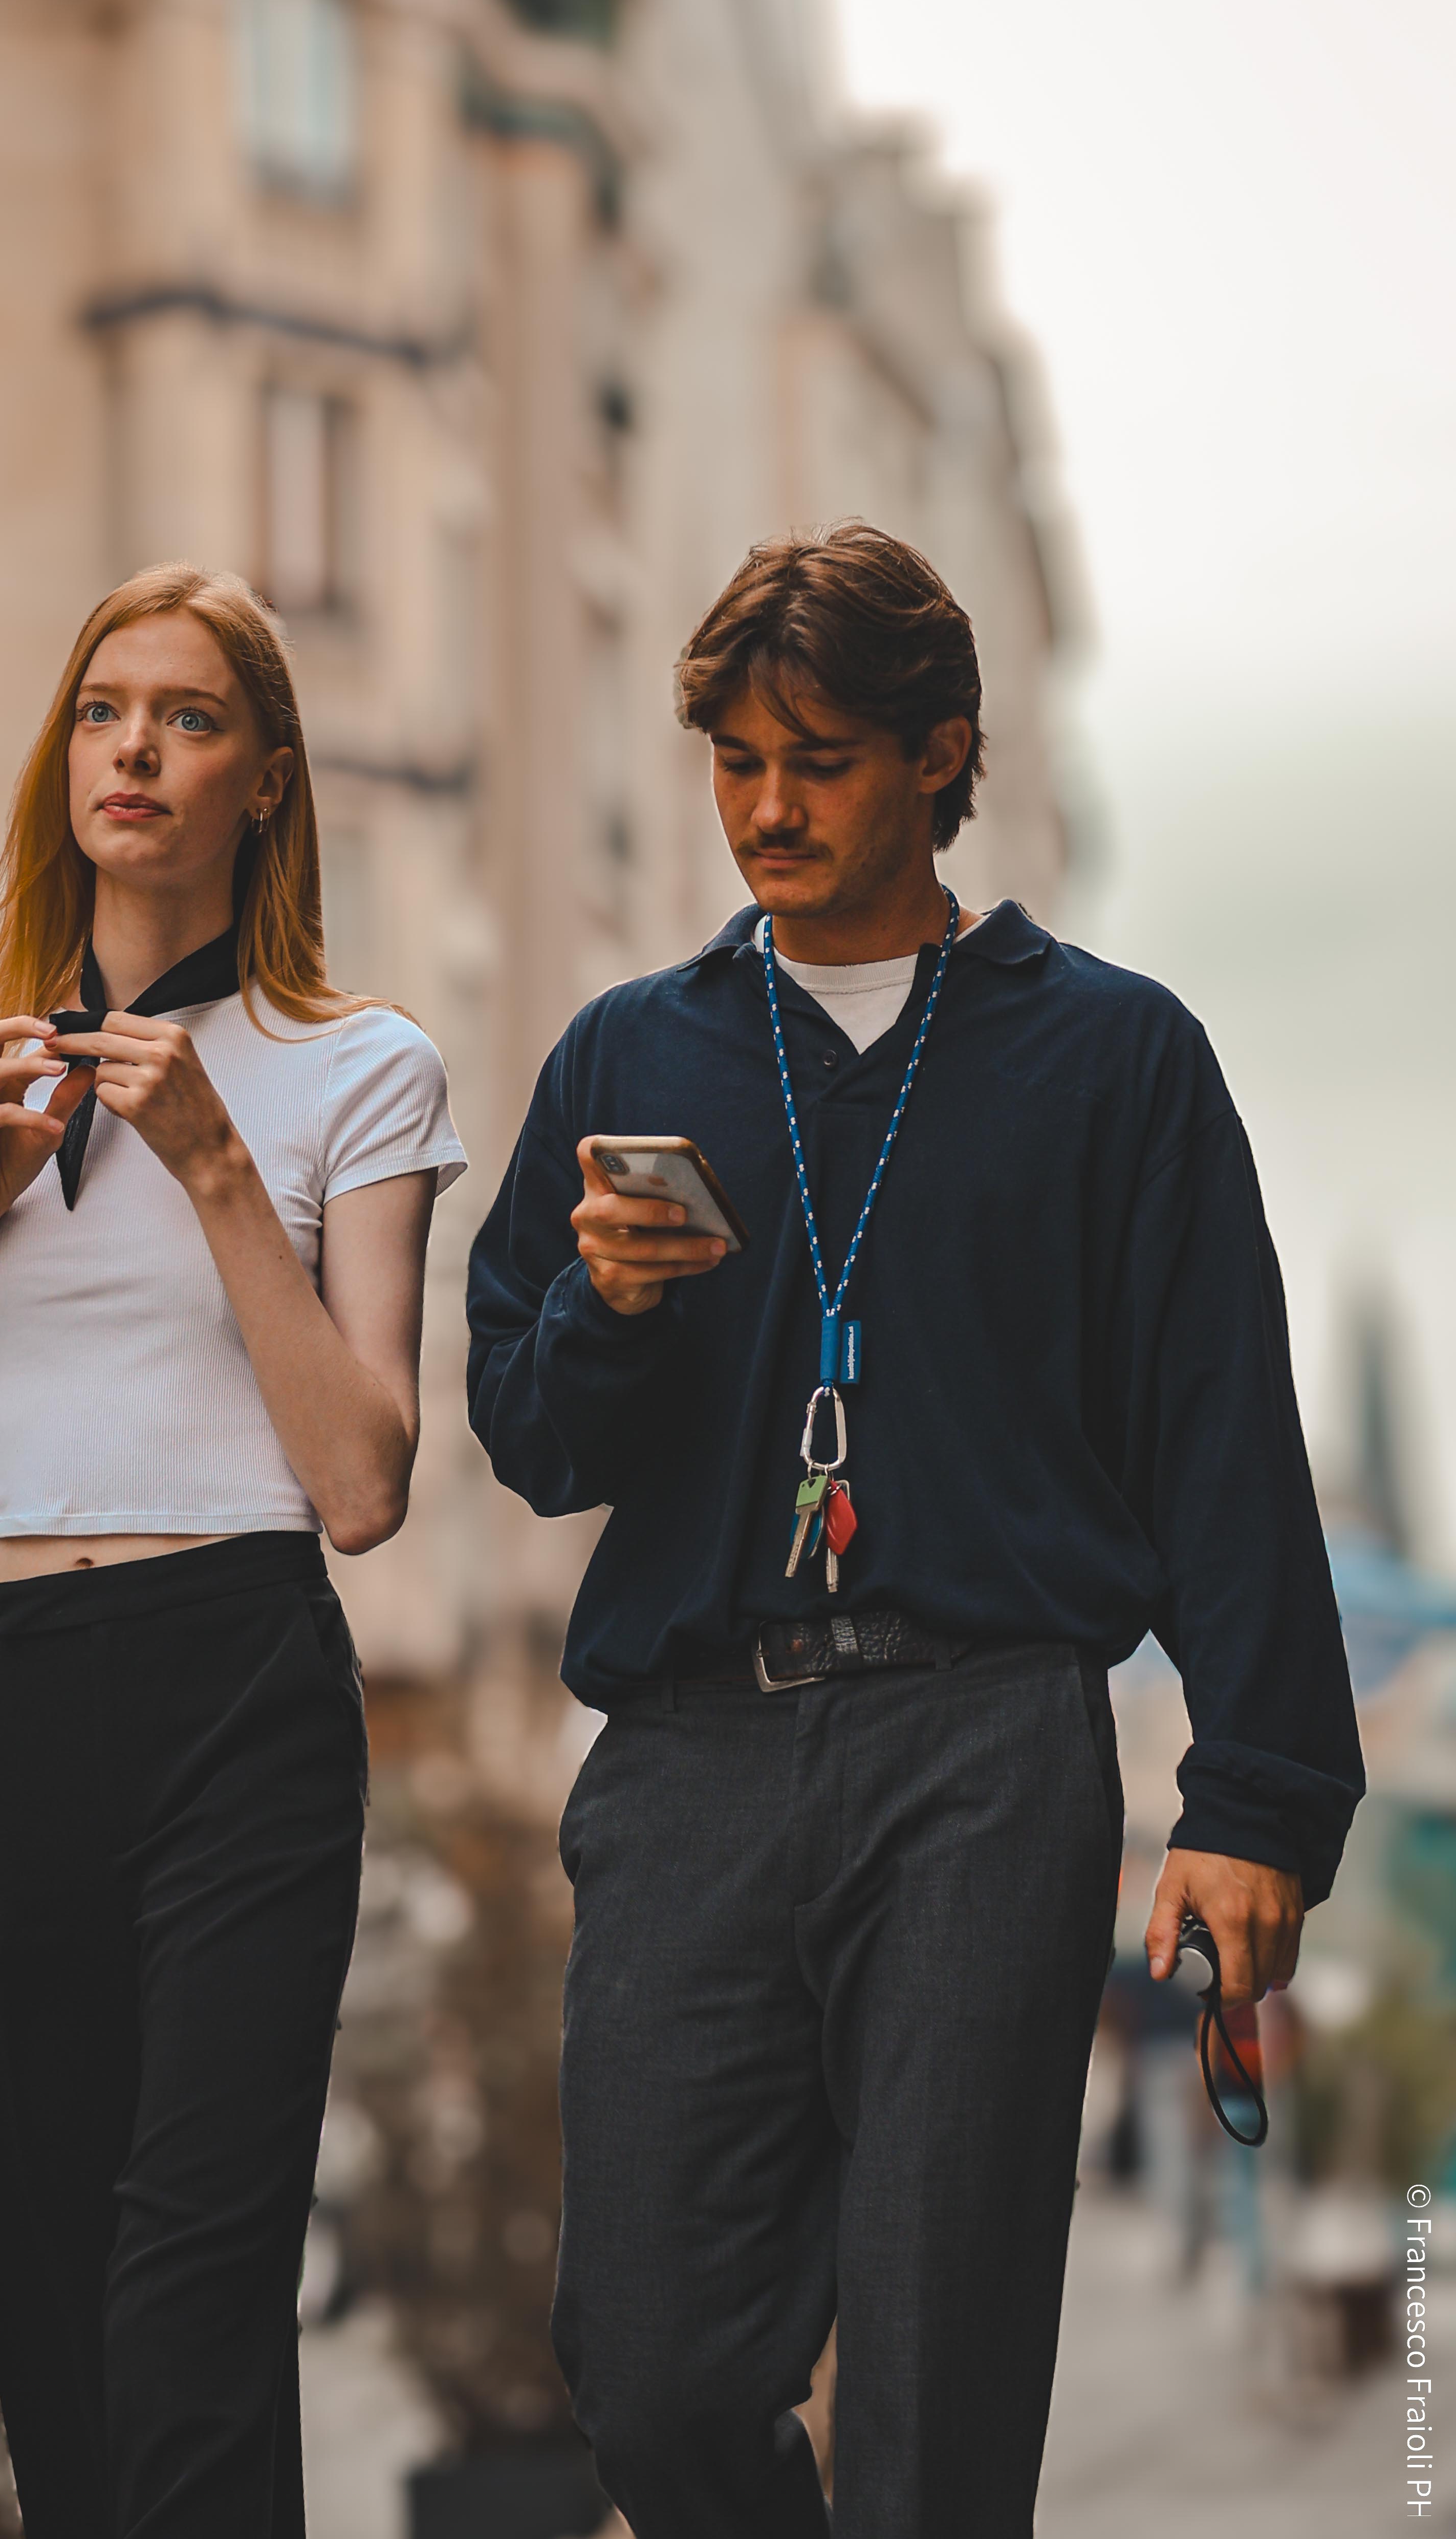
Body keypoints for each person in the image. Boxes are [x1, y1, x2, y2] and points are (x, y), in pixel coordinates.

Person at [466, 525, 1362, 2537]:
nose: (765, 810)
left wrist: (1259, 1798)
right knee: (654, 2365)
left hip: (986, 1749)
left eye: (824, 762)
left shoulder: (1116, 1060)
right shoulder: (631, 1052)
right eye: (732, 762)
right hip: (690, 1754)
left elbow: (1226, 1442)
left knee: (941, 2395)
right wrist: (606, 1310)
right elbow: (524, 1436)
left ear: (944, 753)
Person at [0, 563, 466, 2539]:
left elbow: (362, 1482)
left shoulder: (363, 1070)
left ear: (266, 781)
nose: (136, 748)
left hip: (235, 1690)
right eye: (102, 711)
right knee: (59, 2356)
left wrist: (221, 1172)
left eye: (186, 715)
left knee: (192, 2318)